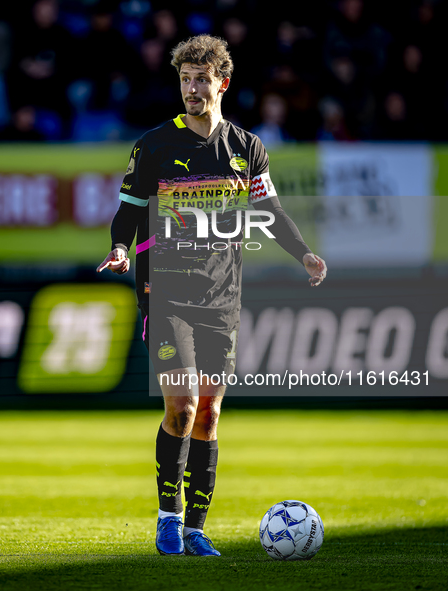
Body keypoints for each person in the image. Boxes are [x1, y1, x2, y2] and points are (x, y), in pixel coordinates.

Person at [97, 35, 327, 557]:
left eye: (201, 79)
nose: (192, 89)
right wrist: (119, 247)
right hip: (167, 291)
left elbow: (269, 213)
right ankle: (167, 519)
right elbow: (129, 212)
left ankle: (197, 528)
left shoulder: (247, 148)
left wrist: (305, 254)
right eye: (185, 80)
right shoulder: (153, 144)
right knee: (181, 405)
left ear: (222, 83)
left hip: (222, 296)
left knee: (209, 414)